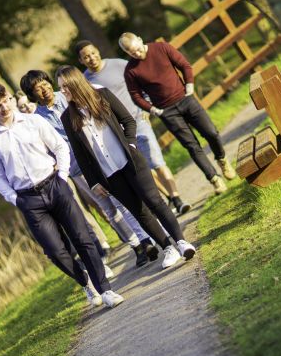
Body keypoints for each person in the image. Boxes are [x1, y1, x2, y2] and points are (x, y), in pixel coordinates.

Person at [0, 82, 124, 308]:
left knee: (83, 239)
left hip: (55, 185)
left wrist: (63, 176)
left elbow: (59, 147)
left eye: (6, 101)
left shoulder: (33, 121)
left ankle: (105, 290)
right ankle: (85, 281)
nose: (5, 107)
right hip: (28, 199)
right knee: (55, 252)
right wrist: (15, 199)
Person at [56, 66, 197, 270]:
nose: (62, 91)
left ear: (75, 82)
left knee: (155, 201)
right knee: (139, 212)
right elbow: (80, 155)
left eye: (65, 86)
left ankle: (181, 242)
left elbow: (128, 121)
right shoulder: (67, 118)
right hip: (109, 175)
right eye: (60, 87)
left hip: (131, 161)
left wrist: (131, 145)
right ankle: (168, 248)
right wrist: (94, 182)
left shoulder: (102, 95)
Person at [20, 70, 158, 268]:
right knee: (108, 208)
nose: (44, 89)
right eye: (37, 88)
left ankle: (145, 239)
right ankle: (135, 244)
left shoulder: (68, 96)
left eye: (45, 83)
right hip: (78, 168)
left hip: (100, 158)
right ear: (32, 94)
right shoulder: (37, 119)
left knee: (120, 201)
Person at [75, 39, 191, 215]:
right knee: (141, 167)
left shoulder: (119, 65)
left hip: (138, 120)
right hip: (117, 131)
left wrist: (146, 106)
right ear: (81, 60)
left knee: (156, 161)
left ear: (97, 50)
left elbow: (141, 82)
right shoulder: (85, 81)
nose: (91, 58)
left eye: (92, 53)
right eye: (86, 57)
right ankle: (168, 198)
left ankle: (178, 199)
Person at [119, 32, 237, 195]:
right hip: (167, 112)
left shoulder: (162, 48)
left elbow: (184, 65)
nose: (138, 54)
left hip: (186, 99)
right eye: (133, 53)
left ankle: (221, 159)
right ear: (127, 53)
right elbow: (136, 96)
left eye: (138, 49)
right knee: (192, 145)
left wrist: (189, 85)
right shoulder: (131, 71)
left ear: (140, 40)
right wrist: (153, 110)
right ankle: (214, 179)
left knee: (211, 132)